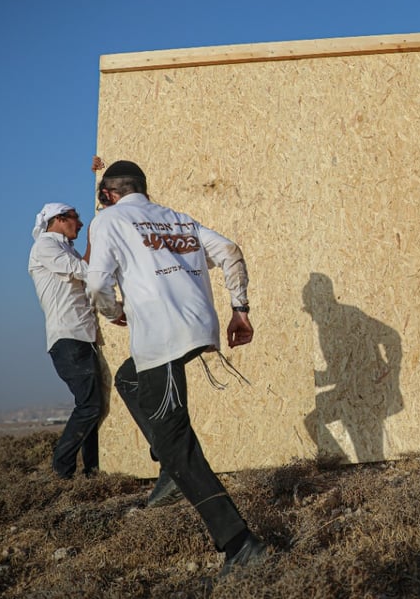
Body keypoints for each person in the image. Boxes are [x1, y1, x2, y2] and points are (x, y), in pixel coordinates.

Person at [85, 160, 268, 575]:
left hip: (161, 335)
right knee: (129, 378)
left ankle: (240, 545)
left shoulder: (109, 220)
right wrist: (239, 310)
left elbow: (97, 284)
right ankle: (167, 460)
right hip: (195, 325)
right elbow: (230, 251)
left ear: (107, 194)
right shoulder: (175, 218)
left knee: (177, 442)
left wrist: (113, 311)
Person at [28, 202, 103, 478]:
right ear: (59, 219)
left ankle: (93, 470)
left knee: (95, 405)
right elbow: (87, 270)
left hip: (82, 336)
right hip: (68, 337)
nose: (80, 224)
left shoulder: (64, 248)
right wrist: (96, 234)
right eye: (76, 218)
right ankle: (62, 469)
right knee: (89, 405)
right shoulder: (46, 247)